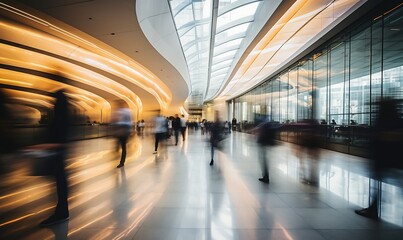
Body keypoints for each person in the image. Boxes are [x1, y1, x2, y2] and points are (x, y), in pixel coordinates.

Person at [355, 98, 403, 219]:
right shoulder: (395, 119)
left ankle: (373, 208)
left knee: (378, 183)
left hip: (383, 157)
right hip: (390, 158)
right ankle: (373, 208)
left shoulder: (385, 119)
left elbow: (383, 136)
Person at [39, 89, 72, 227]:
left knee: (60, 181)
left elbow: (60, 136)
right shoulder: (63, 113)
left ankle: (62, 212)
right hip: (58, 152)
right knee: (60, 181)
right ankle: (61, 211)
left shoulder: (60, 116)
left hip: (57, 151)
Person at [111, 100, 133, 168]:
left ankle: (122, 162)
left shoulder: (127, 112)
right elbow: (113, 121)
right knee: (118, 146)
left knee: (123, 147)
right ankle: (117, 155)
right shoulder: (117, 111)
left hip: (124, 132)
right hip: (119, 132)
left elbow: (129, 122)